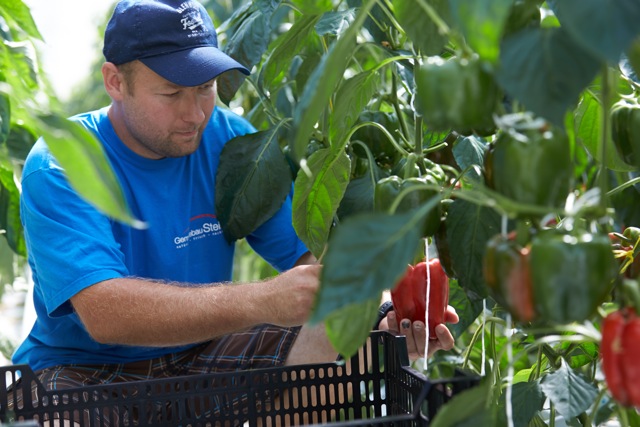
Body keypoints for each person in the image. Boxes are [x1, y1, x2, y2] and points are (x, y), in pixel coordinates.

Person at [11, 0, 458, 420]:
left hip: (200, 355)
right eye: (171, 93)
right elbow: (105, 314)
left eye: (205, 88)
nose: (195, 114)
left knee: (345, 333)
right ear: (115, 82)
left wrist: (391, 315)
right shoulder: (63, 161)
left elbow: (312, 266)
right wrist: (263, 298)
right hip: (80, 371)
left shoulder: (233, 145)